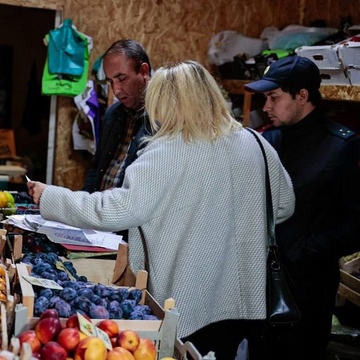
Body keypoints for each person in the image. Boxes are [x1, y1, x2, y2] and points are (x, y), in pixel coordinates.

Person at [29, 61, 295, 359]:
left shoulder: (167, 151)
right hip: (249, 299)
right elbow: (283, 205)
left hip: (191, 302)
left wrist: (50, 197)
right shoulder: (257, 143)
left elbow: (115, 210)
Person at [244, 55, 359, 360]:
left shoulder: (341, 146)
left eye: (273, 97)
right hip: (260, 282)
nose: (265, 107)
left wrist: (308, 250)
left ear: (303, 96)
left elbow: (357, 222)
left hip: (308, 289)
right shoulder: (269, 140)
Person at [82, 39, 152, 193]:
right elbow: (96, 167)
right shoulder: (113, 113)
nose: (116, 90)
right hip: (98, 210)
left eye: (121, 79)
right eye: (110, 82)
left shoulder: (160, 118)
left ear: (144, 72)